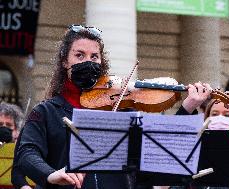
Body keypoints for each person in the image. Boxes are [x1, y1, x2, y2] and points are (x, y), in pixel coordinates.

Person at [14, 24, 212, 189]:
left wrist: (188, 107)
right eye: (80, 55)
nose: (88, 61)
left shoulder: (124, 112)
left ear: (101, 62)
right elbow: (27, 153)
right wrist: (51, 174)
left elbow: (157, 157)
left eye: (94, 57)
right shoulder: (46, 111)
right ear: (65, 61)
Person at [0, 102, 32, 189]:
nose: (4, 128)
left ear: (16, 130)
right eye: (0, 125)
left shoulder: (22, 148)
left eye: (9, 125)